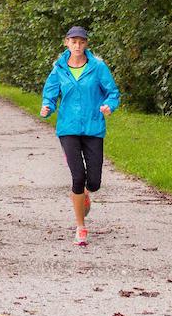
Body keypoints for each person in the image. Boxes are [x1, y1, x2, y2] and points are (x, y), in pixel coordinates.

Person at [40, 26, 121, 246]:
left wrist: (108, 106)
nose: (77, 45)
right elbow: (50, 93)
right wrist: (47, 107)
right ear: (66, 42)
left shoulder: (98, 67)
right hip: (68, 129)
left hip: (93, 128)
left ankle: (86, 192)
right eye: (73, 41)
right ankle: (80, 227)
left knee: (93, 182)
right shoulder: (58, 69)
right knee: (77, 176)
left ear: (86, 44)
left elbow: (112, 93)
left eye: (81, 42)